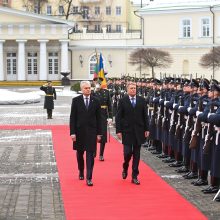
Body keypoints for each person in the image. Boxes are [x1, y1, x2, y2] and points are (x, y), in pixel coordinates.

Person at [116, 82, 149, 185]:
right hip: (127, 131)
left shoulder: (141, 100)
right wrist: (118, 130)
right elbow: (118, 117)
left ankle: (134, 175)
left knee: (137, 154)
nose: (133, 90)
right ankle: (125, 166)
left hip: (139, 131)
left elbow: (145, 116)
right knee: (127, 153)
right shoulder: (123, 101)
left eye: (134, 88)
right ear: (127, 90)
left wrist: (147, 129)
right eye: (131, 88)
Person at [70, 81, 102, 186]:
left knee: (90, 155)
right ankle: (81, 170)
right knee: (80, 154)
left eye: (89, 88)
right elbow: (72, 118)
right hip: (79, 132)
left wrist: (99, 133)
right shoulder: (76, 101)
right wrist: (72, 132)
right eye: (86, 88)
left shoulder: (96, 101)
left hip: (92, 132)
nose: (88, 90)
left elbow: (99, 118)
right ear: (81, 89)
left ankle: (89, 177)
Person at [94, 82, 112, 161]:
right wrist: (95, 91)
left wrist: (110, 117)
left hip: (104, 115)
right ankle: (93, 152)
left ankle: (101, 154)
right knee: (94, 135)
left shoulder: (106, 92)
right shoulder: (93, 92)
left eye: (100, 83)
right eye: (98, 83)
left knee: (103, 136)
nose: (99, 84)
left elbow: (109, 105)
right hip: (95, 115)